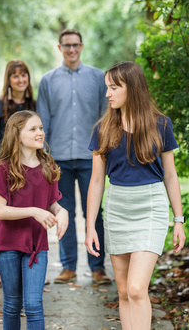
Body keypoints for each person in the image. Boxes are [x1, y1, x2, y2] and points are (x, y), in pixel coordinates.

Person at [85, 61, 186, 330]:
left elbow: (170, 175)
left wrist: (179, 220)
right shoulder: (103, 129)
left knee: (137, 288)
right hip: (117, 208)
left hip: (150, 208)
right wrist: (90, 226)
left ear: (134, 88)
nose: (108, 94)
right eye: (107, 87)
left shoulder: (161, 125)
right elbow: (96, 181)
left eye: (114, 87)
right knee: (123, 292)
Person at [37, 29, 111, 285]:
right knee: (63, 212)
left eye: (75, 45)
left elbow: (105, 117)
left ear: (82, 46)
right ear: (59, 48)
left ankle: (98, 267)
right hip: (58, 158)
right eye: (66, 45)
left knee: (94, 213)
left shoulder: (98, 77)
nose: (71, 49)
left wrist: (104, 151)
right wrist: (43, 156)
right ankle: (68, 267)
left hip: (92, 158)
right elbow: (43, 120)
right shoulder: (47, 81)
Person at [0, 110, 69, 330]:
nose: (40, 133)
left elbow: (52, 203)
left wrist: (62, 212)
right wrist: (34, 211)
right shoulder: (3, 169)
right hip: (9, 245)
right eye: (33, 129)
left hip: (36, 245)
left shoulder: (48, 167)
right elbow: (0, 211)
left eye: (41, 128)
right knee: (12, 304)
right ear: (17, 135)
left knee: (34, 304)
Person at [0, 60, 36, 285]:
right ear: (8, 79)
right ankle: (2, 270)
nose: (20, 79)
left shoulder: (34, 105)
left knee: (30, 216)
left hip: (29, 169)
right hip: (4, 170)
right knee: (2, 218)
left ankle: (31, 265)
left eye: (24, 75)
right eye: (15, 76)